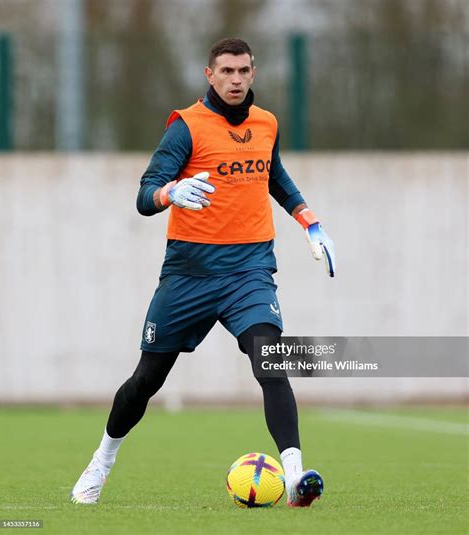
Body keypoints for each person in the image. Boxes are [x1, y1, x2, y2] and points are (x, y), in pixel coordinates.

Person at [71, 37, 335, 507]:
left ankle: (295, 476)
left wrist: (309, 221)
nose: (235, 79)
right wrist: (170, 192)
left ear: (253, 73)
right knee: (146, 381)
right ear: (209, 75)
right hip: (189, 275)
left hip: (249, 272)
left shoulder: (266, 123)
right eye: (226, 71)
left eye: (243, 71)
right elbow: (144, 193)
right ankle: (101, 462)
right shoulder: (186, 127)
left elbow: (275, 177)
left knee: (270, 362)